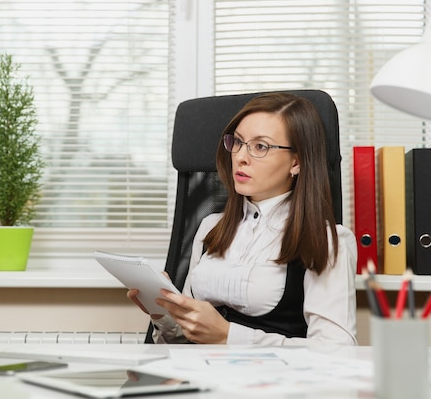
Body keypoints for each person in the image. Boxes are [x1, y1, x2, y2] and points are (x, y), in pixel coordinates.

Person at [127, 92, 358, 346]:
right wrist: (163, 313)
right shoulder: (210, 227)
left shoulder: (325, 239)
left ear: (297, 161)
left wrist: (229, 336)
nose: (240, 156)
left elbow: (336, 350)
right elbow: (182, 340)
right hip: (198, 378)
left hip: (273, 382)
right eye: (237, 142)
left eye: (260, 146)